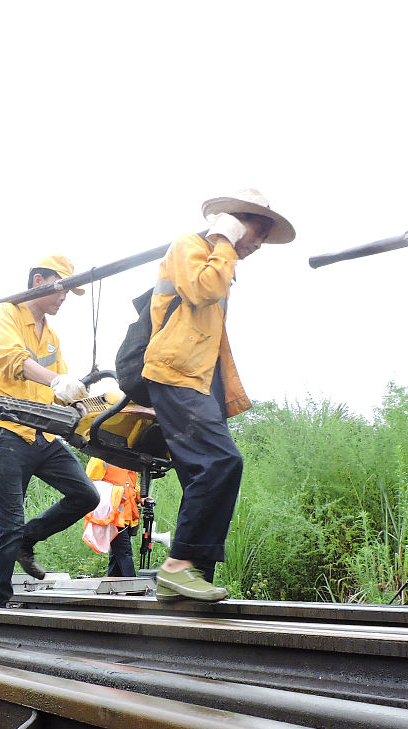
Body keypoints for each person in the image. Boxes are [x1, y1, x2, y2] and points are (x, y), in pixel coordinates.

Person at [143, 188, 295, 602]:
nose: (259, 244)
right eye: (257, 232)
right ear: (234, 220)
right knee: (221, 462)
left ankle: (190, 578)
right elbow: (202, 289)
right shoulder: (191, 246)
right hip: (173, 372)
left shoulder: (217, 260)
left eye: (264, 237)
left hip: (196, 378)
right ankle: (177, 567)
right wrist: (225, 241)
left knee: (202, 474)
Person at [0, 254, 100, 608]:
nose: (64, 297)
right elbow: (13, 360)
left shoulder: (52, 337)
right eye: (60, 288)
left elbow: (62, 392)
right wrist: (57, 380)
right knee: (8, 521)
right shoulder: (5, 313)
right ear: (38, 282)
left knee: (86, 496)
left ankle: (26, 541)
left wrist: (87, 405)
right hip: (2, 430)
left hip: (40, 433)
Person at [82, 458, 140, 577]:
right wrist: (115, 493)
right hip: (112, 516)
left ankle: (112, 586)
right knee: (124, 552)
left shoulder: (129, 460)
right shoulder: (100, 459)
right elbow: (88, 484)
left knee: (117, 554)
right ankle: (133, 587)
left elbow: (131, 486)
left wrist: (141, 497)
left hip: (125, 517)